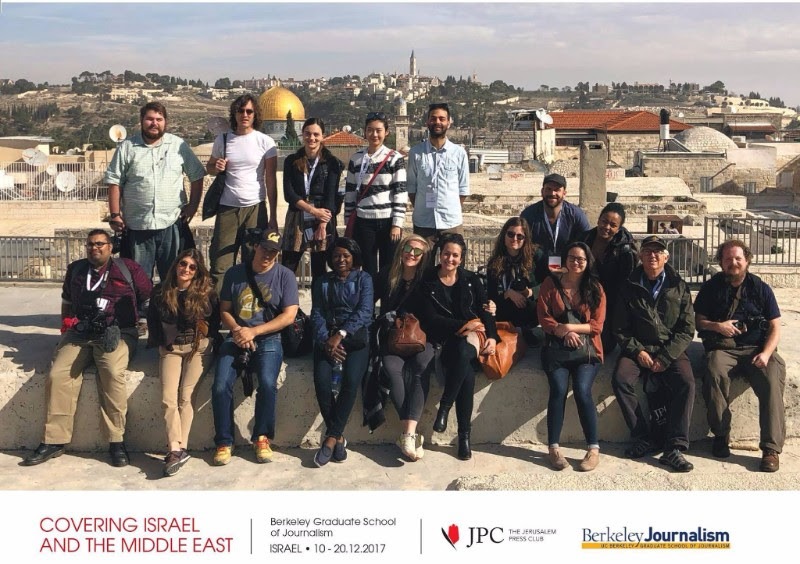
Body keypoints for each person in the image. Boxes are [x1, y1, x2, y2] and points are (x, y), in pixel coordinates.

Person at [23, 229, 152, 467]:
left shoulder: (128, 269)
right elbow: (67, 301)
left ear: (110, 246)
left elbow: (148, 298)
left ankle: (116, 440)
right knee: (58, 374)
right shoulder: (77, 269)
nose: (95, 248)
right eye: (91, 244)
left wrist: (143, 324)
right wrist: (66, 328)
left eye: (101, 244)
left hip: (119, 331)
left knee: (112, 373)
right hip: (82, 331)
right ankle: (55, 440)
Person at [694, 240, 785, 472]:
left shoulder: (760, 288)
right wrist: (718, 326)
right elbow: (699, 321)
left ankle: (770, 449)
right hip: (724, 348)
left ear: (747, 260)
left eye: (737, 259)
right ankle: (721, 434)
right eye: (727, 259)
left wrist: (766, 353)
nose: (733, 263)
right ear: (721, 262)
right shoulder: (711, 288)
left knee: (772, 382)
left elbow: (775, 325)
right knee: (713, 372)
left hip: (757, 349)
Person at [211, 229, 299, 466]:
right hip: (238, 336)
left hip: (269, 337)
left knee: (268, 384)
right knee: (220, 385)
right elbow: (225, 310)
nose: (268, 255)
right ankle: (224, 441)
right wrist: (239, 331)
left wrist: (255, 331)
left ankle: (261, 437)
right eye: (264, 249)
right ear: (255, 248)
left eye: (273, 251)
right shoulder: (235, 274)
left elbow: (289, 316)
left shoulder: (285, 276)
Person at [611, 235, 696, 472]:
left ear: (666, 257)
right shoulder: (629, 285)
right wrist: (637, 351)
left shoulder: (678, 285)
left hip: (669, 349)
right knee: (621, 379)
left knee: (686, 382)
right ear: (640, 256)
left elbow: (687, 329)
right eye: (647, 251)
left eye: (658, 252)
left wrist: (666, 356)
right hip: (638, 348)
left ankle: (675, 446)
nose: (652, 256)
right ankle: (642, 436)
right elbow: (619, 328)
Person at [417, 233, 497, 461]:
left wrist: (491, 336)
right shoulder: (428, 280)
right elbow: (430, 319)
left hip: (472, 338)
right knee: (466, 371)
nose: (449, 259)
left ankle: (445, 407)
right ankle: (464, 437)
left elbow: (485, 311)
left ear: (461, 259)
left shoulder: (471, 280)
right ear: (439, 254)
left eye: (455, 255)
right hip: (443, 339)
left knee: (464, 352)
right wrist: (464, 324)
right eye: (446, 254)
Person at [106, 102, 205, 281]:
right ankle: (143, 310)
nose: (154, 123)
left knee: (174, 279)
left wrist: (192, 207)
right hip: (137, 226)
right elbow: (114, 182)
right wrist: (115, 214)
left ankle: (170, 309)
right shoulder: (127, 147)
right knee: (138, 281)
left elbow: (197, 175)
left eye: (159, 119)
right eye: (150, 119)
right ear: (141, 121)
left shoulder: (178, 145)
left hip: (171, 224)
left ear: (165, 122)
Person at [146, 249, 219, 477]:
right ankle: (176, 449)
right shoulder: (161, 292)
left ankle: (179, 449)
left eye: (192, 267)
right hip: (171, 349)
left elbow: (213, 322)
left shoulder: (206, 292)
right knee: (168, 398)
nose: (186, 269)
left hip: (198, 348)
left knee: (186, 397)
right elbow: (153, 322)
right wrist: (161, 344)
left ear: (198, 271)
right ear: (176, 266)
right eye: (183, 264)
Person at [537, 242, 606, 471]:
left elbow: (597, 326)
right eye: (572, 258)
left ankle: (593, 448)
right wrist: (562, 331)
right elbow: (544, 316)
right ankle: (554, 448)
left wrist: (570, 328)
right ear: (565, 260)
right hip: (557, 348)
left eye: (581, 259)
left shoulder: (595, 287)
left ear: (588, 262)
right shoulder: (550, 283)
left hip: (586, 350)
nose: (576, 262)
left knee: (582, 390)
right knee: (557, 389)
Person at [310, 238, 374, 467]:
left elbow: (365, 311)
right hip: (327, 339)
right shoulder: (322, 282)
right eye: (337, 256)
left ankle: (329, 438)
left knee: (350, 382)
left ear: (354, 257)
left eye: (346, 255)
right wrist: (326, 340)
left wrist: (342, 334)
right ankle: (338, 437)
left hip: (355, 338)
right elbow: (316, 312)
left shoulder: (364, 279)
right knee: (321, 381)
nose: (341, 260)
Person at [206, 94, 278, 291]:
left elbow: (270, 179)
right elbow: (210, 168)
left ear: (255, 114)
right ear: (234, 113)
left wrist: (272, 216)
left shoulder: (265, 142)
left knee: (253, 260)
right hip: (227, 209)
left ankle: (249, 308)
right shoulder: (223, 139)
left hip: (255, 209)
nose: (244, 115)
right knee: (220, 264)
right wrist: (216, 167)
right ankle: (220, 313)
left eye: (249, 111)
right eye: (240, 111)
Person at [373, 234, 434, 461]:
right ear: (402, 247)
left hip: (421, 338)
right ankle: (411, 434)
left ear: (424, 257)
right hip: (393, 337)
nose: (412, 254)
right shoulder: (387, 275)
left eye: (418, 252)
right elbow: (367, 297)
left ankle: (407, 435)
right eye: (409, 248)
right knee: (392, 370)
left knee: (421, 368)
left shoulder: (427, 279)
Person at [344, 111, 408, 278]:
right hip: (363, 222)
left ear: (386, 132)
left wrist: (397, 224)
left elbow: (400, 192)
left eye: (378, 130)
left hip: (387, 222)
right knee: (367, 270)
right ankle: (368, 304)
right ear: (364, 131)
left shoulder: (394, 158)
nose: (374, 134)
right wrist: (348, 220)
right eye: (370, 130)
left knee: (389, 270)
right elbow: (350, 192)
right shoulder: (356, 159)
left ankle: (387, 304)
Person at [282, 117, 344, 278]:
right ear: (302, 134)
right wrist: (312, 210)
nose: (312, 138)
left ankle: (319, 303)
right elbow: (289, 194)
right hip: (297, 215)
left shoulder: (332, 163)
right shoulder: (291, 161)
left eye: (316, 134)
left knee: (319, 267)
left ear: (322, 136)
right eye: (308, 134)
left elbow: (332, 196)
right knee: (288, 265)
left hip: (323, 219)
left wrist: (322, 224)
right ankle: (287, 303)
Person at [407, 102, 469, 253]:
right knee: (422, 269)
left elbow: (463, 189)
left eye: (442, 119)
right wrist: (424, 207)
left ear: (449, 122)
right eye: (433, 118)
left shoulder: (459, 153)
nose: (437, 122)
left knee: (453, 269)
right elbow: (412, 189)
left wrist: (449, 206)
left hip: (451, 222)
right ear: (427, 121)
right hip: (423, 223)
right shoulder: (415, 153)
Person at [578, 202, 638, 353]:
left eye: (613, 225)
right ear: (598, 220)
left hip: (611, 301)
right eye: (604, 221)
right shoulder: (584, 238)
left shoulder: (625, 250)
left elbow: (626, 283)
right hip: (583, 294)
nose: (607, 227)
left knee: (605, 346)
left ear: (619, 228)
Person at [520, 173, 590, 283]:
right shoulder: (529, 215)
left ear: (564, 193)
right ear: (542, 191)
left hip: (569, 273)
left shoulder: (577, 215)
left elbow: (586, 244)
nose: (552, 193)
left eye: (557, 189)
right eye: (548, 189)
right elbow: (521, 244)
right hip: (536, 274)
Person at [485, 217, 541, 342]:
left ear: (525, 239)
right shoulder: (495, 262)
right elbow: (492, 295)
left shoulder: (536, 256)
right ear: (504, 235)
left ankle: (527, 329)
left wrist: (530, 292)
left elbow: (549, 282)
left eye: (520, 236)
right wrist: (508, 293)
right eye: (510, 234)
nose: (514, 239)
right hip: (505, 305)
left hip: (530, 305)